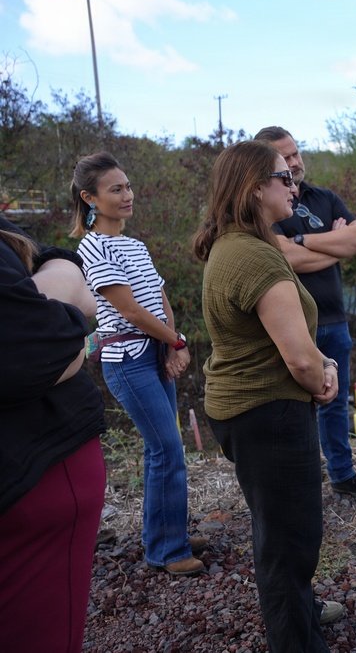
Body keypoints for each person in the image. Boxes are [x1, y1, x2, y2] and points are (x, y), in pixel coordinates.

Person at [194, 140, 344, 652]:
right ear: (255, 188)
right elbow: (299, 358)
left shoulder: (234, 245)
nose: (293, 184)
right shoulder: (255, 257)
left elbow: (290, 347)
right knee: (290, 545)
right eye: (284, 177)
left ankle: (300, 624)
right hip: (269, 412)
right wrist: (322, 377)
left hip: (250, 410)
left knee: (278, 535)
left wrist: (320, 364)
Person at [71, 152, 206, 576]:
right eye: (116, 189)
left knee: (164, 451)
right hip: (127, 359)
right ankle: (168, 550)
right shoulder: (91, 248)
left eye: (128, 186)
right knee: (167, 450)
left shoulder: (134, 244)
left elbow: (158, 296)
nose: (128, 195)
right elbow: (129, 310)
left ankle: (165, 537)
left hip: (154, 351)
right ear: (89, 197)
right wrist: (178, 341)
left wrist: (171, 342)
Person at [252, 126, 356, 500]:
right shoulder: (266, 207)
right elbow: (283, 258)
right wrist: (333, 245)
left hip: (334, 320)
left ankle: (342, 474)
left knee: (335, 404)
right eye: (285, 158)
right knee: (290, 407)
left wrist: (301, 240)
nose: (295, 162)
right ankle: (297, 485)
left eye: (296, 154)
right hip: (291, 324)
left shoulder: (323, 197)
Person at [0, 216, 107, 651]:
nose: (128, 195)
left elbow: (58, 264)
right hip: (28, 481)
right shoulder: (102, 247)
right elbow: (33, 350)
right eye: (116, 187)